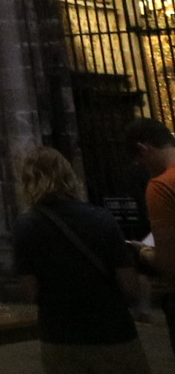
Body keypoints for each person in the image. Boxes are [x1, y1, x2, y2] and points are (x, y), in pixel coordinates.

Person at [11, 145, 146, 374]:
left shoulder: (25, 227)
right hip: (112, 331)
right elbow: (129, 285)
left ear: (27, 181)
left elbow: (29, 291)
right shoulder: (101, 219)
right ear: (69, 176)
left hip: (59, 335)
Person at [130, 117, 175, 358]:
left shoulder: (161, 186)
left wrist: (145, 252)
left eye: (140, 161)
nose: (143, 167)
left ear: (143, 148)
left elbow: (169, 263)